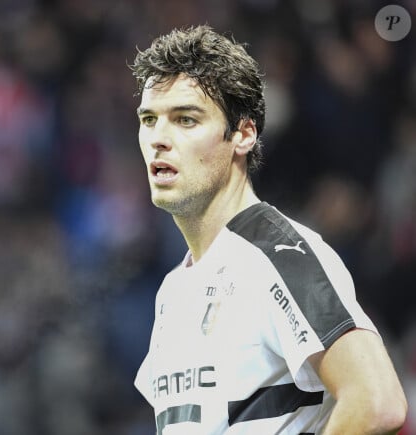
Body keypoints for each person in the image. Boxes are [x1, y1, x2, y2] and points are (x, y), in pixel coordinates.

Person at [131, 25, 407, 434]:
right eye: (149, 120)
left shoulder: (277, 254)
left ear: (243, 134)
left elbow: (376, 401)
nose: (158, 139)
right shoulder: (173, 290)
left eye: (185, 119)